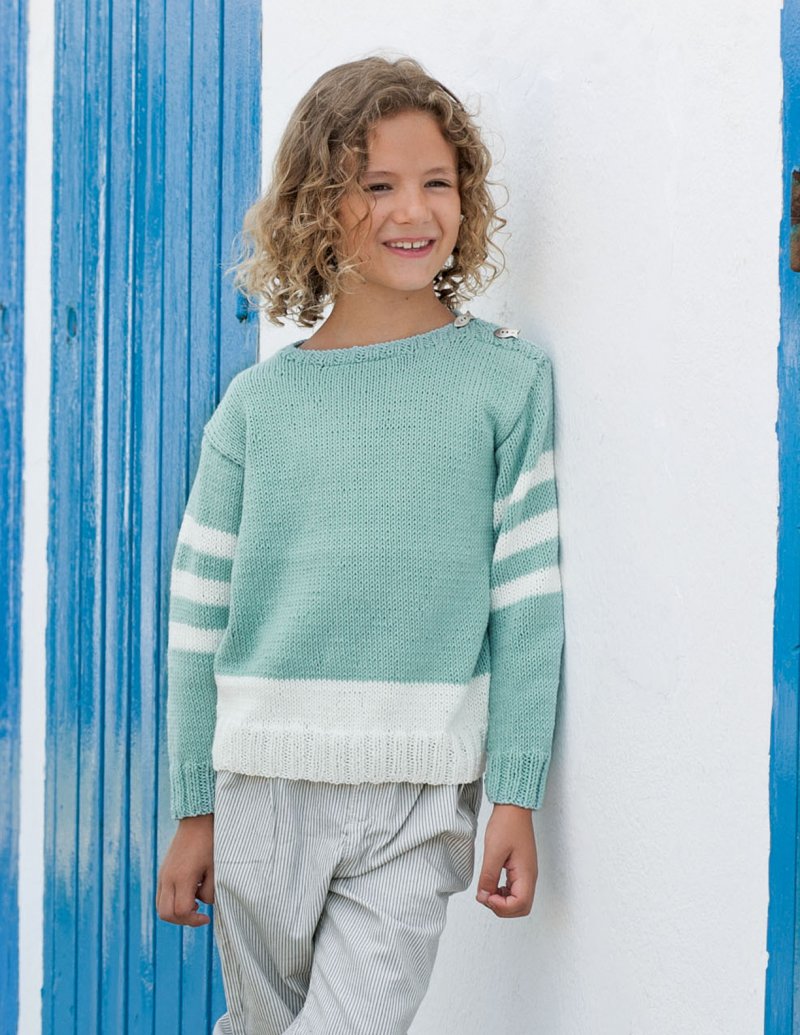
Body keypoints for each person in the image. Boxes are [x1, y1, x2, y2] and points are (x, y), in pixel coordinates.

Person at [156, 52, 565, 1035]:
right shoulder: (256, 407)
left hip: (419, 797)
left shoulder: (504, 384)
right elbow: (198, 613)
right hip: (261, 792)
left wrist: (513, 794)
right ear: (316, 204)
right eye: (375, 185)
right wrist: (193, 807)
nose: (411, 211)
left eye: (437, 182)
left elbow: (528, 604)